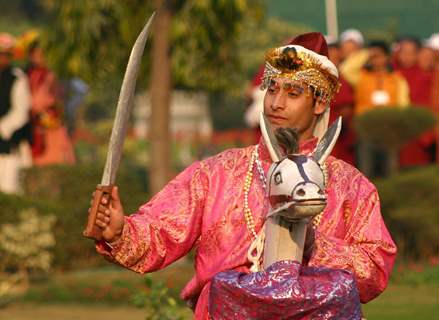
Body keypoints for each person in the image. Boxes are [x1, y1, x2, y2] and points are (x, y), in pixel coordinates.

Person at [89, 32, 397, 319]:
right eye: (272, 89)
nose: (276, 103)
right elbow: (160, 231)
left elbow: (374, 268)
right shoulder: (218, 173)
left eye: (293, 93)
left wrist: (314, 244)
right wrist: (119, 232)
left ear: (319, 103)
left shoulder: (350, 186)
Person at [355, 40, 410, 177]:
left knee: (390, 171)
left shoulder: (397, 79)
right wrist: (366, 53)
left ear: (387, 57)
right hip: (366, 130)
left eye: (378, 55)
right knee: (366, 172)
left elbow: (403, 105)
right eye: (372, 56)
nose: (375, 59)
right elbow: (346, 69)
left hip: (388, 131)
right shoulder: (361, 76)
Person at [26, 41, 76, 165]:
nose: (40, 57)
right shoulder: (27, 75)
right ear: (30, 56)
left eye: (43, 54)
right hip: (33, 129)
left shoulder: (53, 75)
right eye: (36, 54)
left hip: (52, 129)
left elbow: (59, 101)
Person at [393, 37, 436, 167]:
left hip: (419, 134)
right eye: (403, 52)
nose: (406, 57)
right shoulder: (393, 74)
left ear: (417, 54)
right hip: (397, 132)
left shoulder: (425, 76)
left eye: (410, 53)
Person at [0, 33, 32, 193]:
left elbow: (21, 112)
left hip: (10, 145)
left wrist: (2, 128)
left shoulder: (17, 78)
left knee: (9, 188)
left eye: (6, 55)